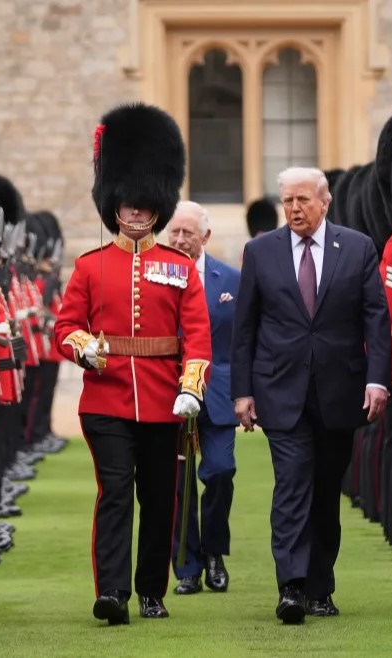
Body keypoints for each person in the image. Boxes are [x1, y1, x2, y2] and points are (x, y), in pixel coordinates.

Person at [53, 103, 213, 624]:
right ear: (114, 203)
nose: (137, 211)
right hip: (106, 400)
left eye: (146, 205)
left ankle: (151, 591)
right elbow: (64, 328)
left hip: (166, 402)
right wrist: (86, 348)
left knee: (160, 500)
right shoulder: (90, 267)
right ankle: (113, 593)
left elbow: (197, 337)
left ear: (157, 207)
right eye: (129, 202)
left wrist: (191, 386)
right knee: (116, 495)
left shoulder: (179, 268)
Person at [231, 166, 391, 624]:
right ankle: (291, 587)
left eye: (303, 200)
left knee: (324, 492)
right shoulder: (260, 252)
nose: (295, 209)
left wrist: (377, 380)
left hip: (339, 391)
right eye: (288, 201)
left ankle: (321, 586)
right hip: (281, 391)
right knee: (292, 486)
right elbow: (245, 329)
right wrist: (242, 392)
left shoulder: (357, 248)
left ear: (325, 202)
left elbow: (375, 319)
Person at [167, 200, 241, 595]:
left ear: (205, 237)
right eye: (174, 232)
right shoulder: (154, 277)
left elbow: (244, 341)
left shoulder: (231, 280)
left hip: (218, 394)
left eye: (187, 234)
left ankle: (214, 552)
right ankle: (188, 567)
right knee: (177, 483)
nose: (179, 240)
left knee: (219, 471)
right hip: (168, 392)